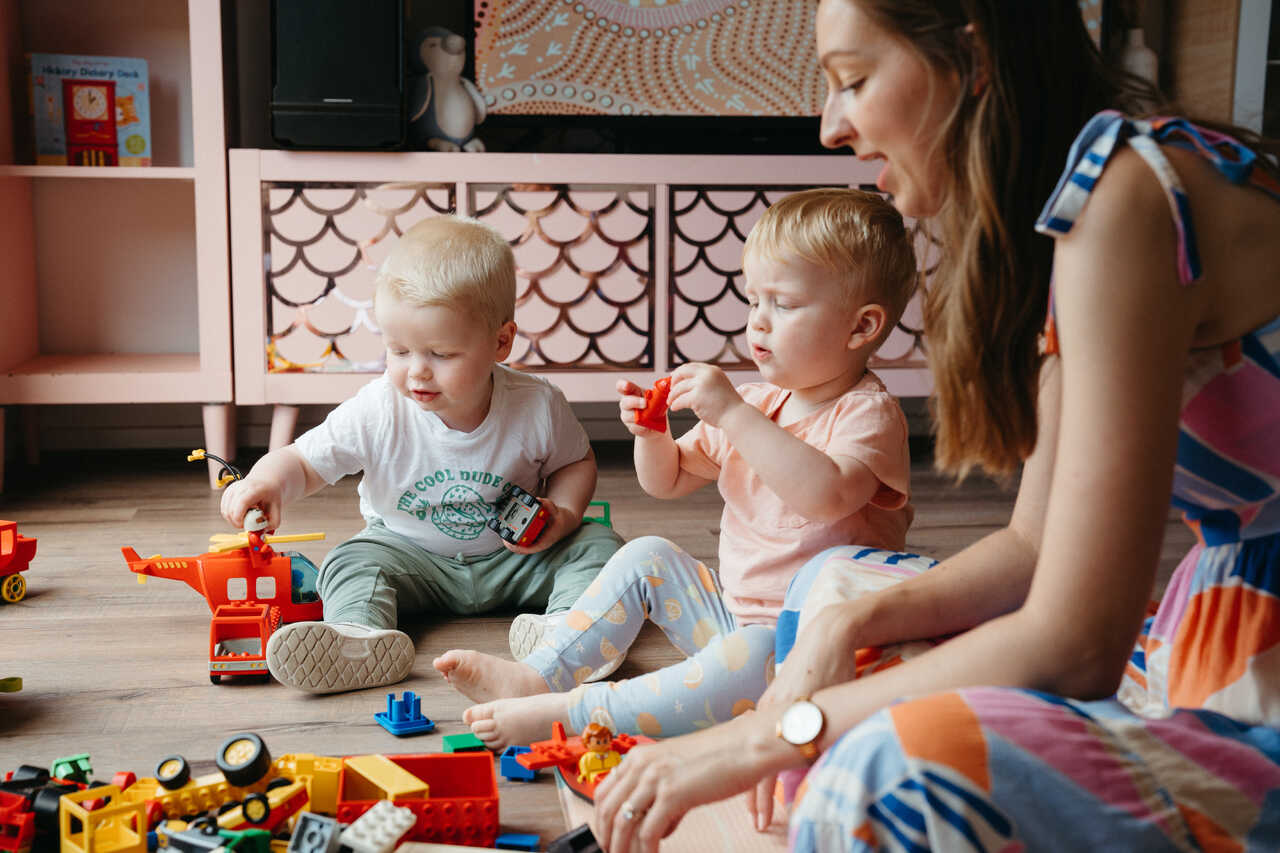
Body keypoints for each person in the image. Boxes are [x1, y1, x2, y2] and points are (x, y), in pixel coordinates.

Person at [586, 1, 1280, 851]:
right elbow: (1032, 547)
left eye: (853, 81)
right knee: (834, 587)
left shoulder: (1131, 199)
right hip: (1215, 628)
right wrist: (846, 629)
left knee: (884, 771)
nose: (830, 126)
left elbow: (1075, 644)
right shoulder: (1095, 202)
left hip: (1257, 681)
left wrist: (758, 736)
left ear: (971, 60)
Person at [432, 187, 921, 751]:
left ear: (861, 328)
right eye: (753, 300)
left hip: (810, 651)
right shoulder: (760, 403)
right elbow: (664, 482)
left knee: (750, 656)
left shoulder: (867, 414)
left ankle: (575, 713)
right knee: (648, 554)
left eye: (782, 304)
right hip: (734, 618)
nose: (757, 323)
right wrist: (653, 433)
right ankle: (540, 675)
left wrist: (734, 414)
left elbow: (826, 494)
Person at [220, 215, 622, 694]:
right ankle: (357, 636)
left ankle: (565, 633)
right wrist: (265, 482)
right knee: (349, 561)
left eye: (441, 354)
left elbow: (575, 463)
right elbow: (305, 461)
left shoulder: (536, 404)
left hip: (516, 558)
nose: (417, 373)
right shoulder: (378, 408)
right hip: (411, 558)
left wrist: (566, 513)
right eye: (399, 350)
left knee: (600, 545)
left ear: (500, 341)